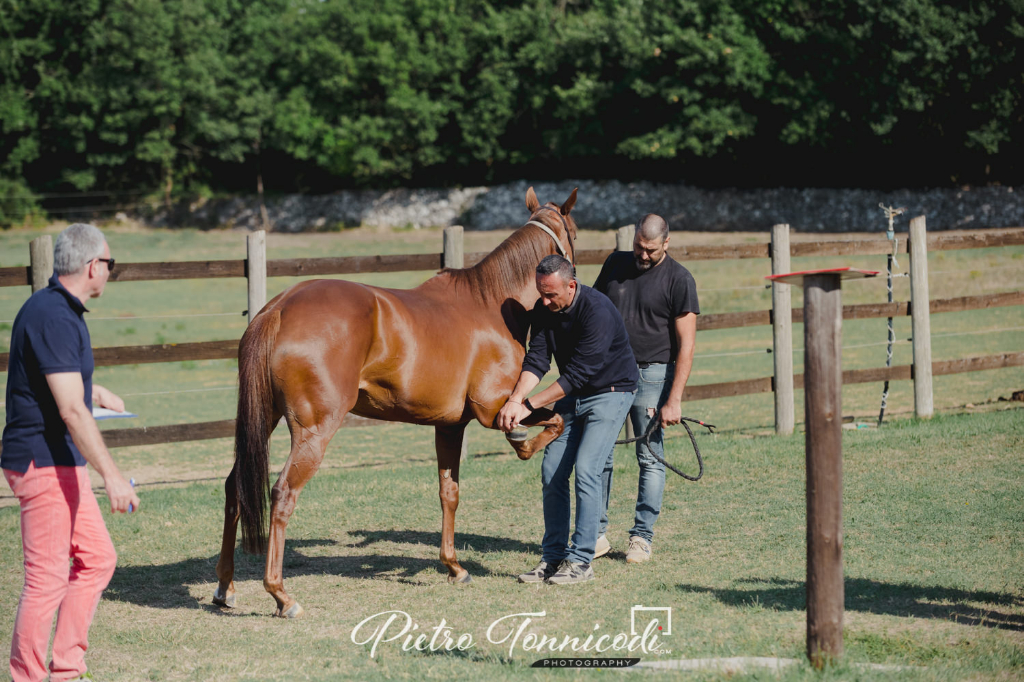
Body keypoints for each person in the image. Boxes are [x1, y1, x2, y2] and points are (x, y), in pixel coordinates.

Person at [2, 223, 140, 682]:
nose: (109, 272)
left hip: (59, 458)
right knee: (46, 580)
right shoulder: (55, 315)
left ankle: (66, 668)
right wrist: (113, 476)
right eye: (109, 263)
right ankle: (27, 676)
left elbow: (55, 380)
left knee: (98, 558)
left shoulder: (56, 310)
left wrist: (94, 390)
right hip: (41, 461)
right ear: (91, 266)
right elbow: (69, 411)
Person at [498, 254, 637, 585]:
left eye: (551, 295)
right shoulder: (546, 310)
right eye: (540, 293)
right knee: (551, 471)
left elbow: (576, 375)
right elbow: (538, 359)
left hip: (611, 391)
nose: (544, 301)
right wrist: (515, 399)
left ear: (571, 285)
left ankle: (581, 562)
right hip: (574, 395)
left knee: (588, 470)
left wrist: (529, 407)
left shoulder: (598, 311)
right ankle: (553, 558)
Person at [593, 213, 699, 564]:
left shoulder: (680, 280)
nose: (642, 254)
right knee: (599, 453)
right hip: (609, 373)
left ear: (666, 243)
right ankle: (594, 534)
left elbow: (686, 346)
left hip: (652, 376)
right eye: (639, 246)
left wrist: (675, 399)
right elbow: (593, 309)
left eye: (650, 249)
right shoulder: (615, 263)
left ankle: (641, 538)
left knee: (650, 456)